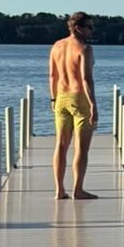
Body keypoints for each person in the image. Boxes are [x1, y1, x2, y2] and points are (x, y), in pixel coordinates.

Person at [49, 11, 99, 200]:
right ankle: (78, 189)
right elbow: (86, 79)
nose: (91, 31)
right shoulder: (85, 49)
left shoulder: (57, 46)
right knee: (81, 147)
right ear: (78, 28)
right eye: (89, 27)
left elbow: (52, 76)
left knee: (61, 145)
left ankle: (59, 190)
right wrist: (93, 104)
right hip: (79, 98)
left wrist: (53, 99)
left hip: (61, 97)